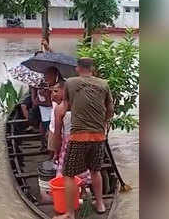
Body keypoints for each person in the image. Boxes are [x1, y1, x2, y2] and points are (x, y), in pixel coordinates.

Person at [51, 58, 114, 219]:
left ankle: (70, 213)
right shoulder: (104, 84)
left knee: (68, 174)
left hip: (79, 136)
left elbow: (64, 106)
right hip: (99, 135)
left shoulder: (70, 83)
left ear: (78, 68)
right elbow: (110, 109)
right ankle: (100, 204)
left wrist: (60, 114)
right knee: (95, 170)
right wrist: (104, 123)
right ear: (92, 68)